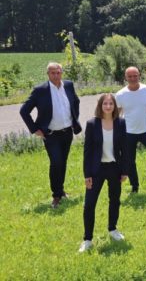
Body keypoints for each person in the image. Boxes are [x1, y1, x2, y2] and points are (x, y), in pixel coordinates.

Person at [20, 62, 81, 208]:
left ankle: (61, 190)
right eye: (53, 73)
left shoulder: (68, 85)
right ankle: (56, 196)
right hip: (51, 135)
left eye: (58, 72)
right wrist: (35, 129)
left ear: (62, 73)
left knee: (63, 162)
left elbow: (76, 102)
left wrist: (74, 119)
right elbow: (24, 110)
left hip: (67, 133)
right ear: (48, 74)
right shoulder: (40, 90)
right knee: (56, 163)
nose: (56, 75)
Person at [79, 94, 129, 253]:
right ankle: (87, 239)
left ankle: (112, 229)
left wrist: (125, 171)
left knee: (114, 200)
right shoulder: (92, 124)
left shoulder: (121, 123)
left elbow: (125, 150)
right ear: (100, 106)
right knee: (89, 205)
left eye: (111, 103)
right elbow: (87, 152)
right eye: (105, 103)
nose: (108, 106)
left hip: (115, 168)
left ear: (114, 106)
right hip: (96, 170)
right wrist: (87, 175)